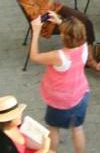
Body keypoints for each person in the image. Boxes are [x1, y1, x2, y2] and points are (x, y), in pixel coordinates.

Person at [28, 12, 91, 153]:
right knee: (78, 128)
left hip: (60, 101)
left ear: (63, 36)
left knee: (53, 129)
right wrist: (59, 21)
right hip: (81, 94)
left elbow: (34, 56)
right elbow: (72, 32)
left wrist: (36, 31)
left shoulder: (58, 56)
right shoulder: (84, 47)